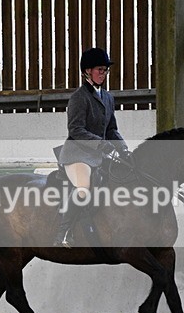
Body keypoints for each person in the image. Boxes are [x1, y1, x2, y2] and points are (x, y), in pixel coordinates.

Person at [53, 47, 131, 248]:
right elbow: (76, 130)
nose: (103, 74)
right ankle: (63, 232)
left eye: (105, 70)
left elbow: (112, 129)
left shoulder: (108, 97)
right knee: (84, 189)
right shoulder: (79, 98)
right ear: (87, 71)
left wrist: (123, 149)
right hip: (78, 155)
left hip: (99, 154)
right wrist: (101, 145)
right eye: (99, 70)